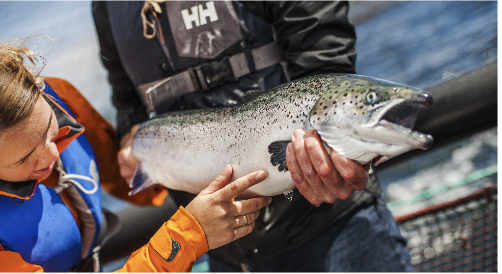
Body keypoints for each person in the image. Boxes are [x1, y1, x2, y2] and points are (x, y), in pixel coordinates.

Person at [93, 1, 414, 271]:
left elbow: (326, 62)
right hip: (223, 251)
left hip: (337, 227)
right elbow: (128, 104)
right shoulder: (106, 6)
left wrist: (327, 155)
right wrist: (127, 142)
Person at [0, 42, 272, 272]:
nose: (52, 153)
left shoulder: (57, 98)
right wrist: (190, 233)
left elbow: (130, 184)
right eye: (24, 158)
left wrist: (137, 155)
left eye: (50, 131)